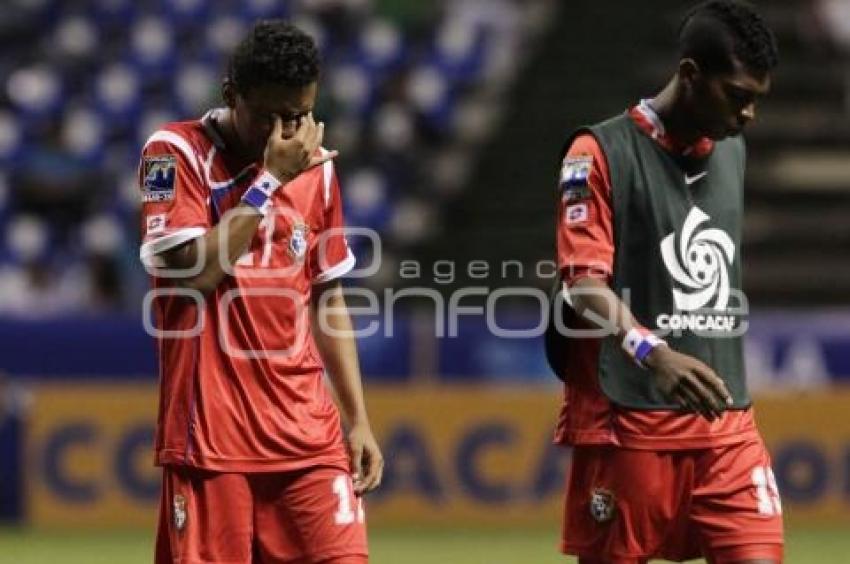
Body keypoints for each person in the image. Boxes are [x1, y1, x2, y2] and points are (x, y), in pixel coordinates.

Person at [138, 21, 383, 564]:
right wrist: (268, 181)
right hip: (212, 439)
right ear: (231, 95)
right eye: (269, 116)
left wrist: (357, 418)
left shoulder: (316, 170)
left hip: (308, 434)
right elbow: (195, 272)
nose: (284, 132)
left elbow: (328, 298)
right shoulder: (174, 152)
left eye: (297, 115)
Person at [549, 2, 782, 562]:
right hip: (631, 424)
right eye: (737, 94)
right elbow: (582, 285)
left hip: (727, 427)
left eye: (757, 99)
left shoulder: (733, 151)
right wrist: (653, 351)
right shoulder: (597, 154)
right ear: (690, 75)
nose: (748, 113)